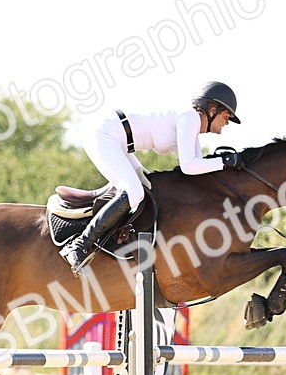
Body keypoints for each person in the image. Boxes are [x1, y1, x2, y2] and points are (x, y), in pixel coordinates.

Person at [60, 81, 245, 276]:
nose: (226, 123)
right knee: (134, 192)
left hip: (121, 142)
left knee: (147, 186)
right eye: (226, 116)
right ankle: (79, 245)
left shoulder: (192, 130)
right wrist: (225, 162)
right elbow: (189, 166)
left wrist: (225, 165)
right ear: (212, 109)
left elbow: (197, 170)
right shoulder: (190, 118)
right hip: (105, 133)